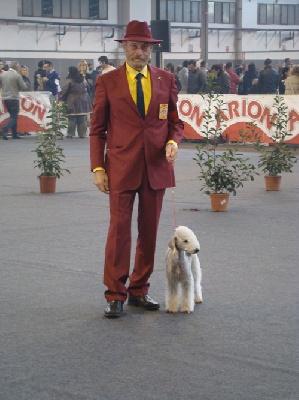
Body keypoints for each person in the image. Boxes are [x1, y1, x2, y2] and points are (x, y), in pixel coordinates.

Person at [90, 20, 184, 318]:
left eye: (144, 46)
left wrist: (173, 140)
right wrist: (97, 168)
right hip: (119, 167)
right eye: (134, 46)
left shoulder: (166, 79)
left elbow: (175, 122)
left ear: (151, 50)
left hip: (156, 167)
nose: (139, 51)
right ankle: (115, 293)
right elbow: (97, 130)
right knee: (119, 232)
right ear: (125, 48)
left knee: (149, 232)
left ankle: (139, 290)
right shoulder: (107, 82)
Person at [60, 66, 92, 138]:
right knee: (82, 117)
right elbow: (88, 89)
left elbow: (64, 92)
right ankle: (82, 134)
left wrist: (62, 100)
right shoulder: (83, 80)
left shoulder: (69, 81)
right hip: (84, 100)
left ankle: (70, 134)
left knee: (72, 118)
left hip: (72, 101)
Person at [0, 61, 27, 140]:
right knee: (14, 116)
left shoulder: (3, 74)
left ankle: (14, 134)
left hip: (5, 98)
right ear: (16, 67)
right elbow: (23, 87)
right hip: (14, 98)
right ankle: (4, 130)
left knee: (12, 116)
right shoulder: (17, 76)